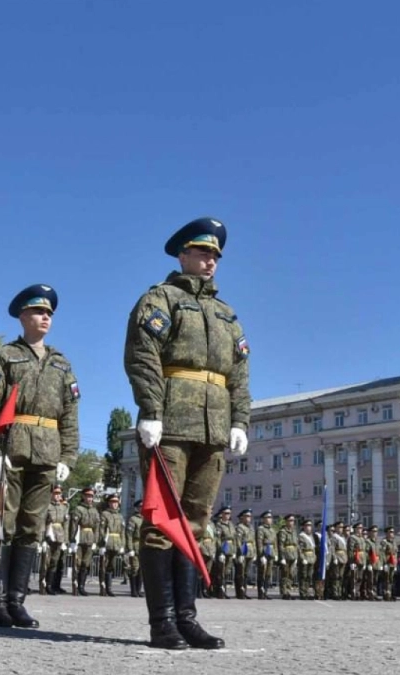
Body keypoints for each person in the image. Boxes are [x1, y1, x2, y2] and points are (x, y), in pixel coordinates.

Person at [124, 217, 251, 650]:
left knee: (196, 524)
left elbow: (240, 372)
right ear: (183, 255)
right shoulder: (161, 298)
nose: (210, 261)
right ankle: (162, 622)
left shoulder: (226, 314)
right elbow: (143, 354)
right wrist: (150, 410)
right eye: (202, 253)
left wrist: (240, 420)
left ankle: (187, 618)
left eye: (215, 255)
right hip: (172, 423)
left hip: (213, 428)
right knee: (162, 521)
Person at [0, 284, 80, 629]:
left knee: (31, 528)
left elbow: (70, 413)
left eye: (49, 313)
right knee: (4, 525)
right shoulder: (4, 356)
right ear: (22, 316)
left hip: (48, 451)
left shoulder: (61, 363)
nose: (45, 317)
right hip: (13, 447)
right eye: (38, 311)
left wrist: (68, 456)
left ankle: (16, 600)